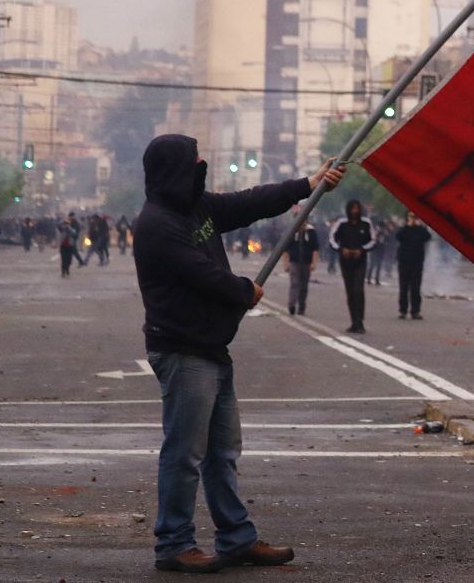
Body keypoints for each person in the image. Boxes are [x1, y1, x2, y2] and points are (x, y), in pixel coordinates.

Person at [133, 134, 344, 573]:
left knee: (222, 451)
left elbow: (250, 202)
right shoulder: (157, 223)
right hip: (182, 348)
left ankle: (236, 539)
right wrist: (243, 289)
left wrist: (309, 182)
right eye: (194, 160)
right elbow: (198, 272)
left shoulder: (198, 206)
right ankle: (173, 543)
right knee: (185, 453)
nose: (203, 163)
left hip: (211, 346)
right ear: (175, 168)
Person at [330, 199, 374, 333]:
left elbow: (373, 240)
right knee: (350, 291)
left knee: (358, 290)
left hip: (360, 261)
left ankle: (360, 321)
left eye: (357, 208)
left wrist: (362, 250)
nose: (355, 211)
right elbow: (332, 239)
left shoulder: (366, 223)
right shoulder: (341, 224)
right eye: (352, 208)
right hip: (345, 261)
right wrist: (341, 249)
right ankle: (353, 321)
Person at [395, 213, 431, 320]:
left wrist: (419, 225)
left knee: (415, 288)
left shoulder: (421, 229)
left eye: (415, 217)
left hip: (417, 262)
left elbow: (428, 237)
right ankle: (403, 310)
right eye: (411, 216)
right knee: (404, 287)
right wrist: (407, 225)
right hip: (404, 262)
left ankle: (415, 311)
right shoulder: (404, 229)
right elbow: (398, 237)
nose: (413, 219)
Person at [283, 218, 320, 316]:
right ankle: (292, 304)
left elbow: (315, 249)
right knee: (294, 283)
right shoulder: (292, 232)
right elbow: (286, 249)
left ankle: (302, 306)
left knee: (304, 286)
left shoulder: (311, 232)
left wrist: (314, 263)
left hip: (307, 262)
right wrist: (285, 264)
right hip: (294, 261)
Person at [58, 212, 82, 277]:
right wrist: (64, 222)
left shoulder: (72, 229)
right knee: (63, 260)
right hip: (63, 246)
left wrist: (68, 227)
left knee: (69, 260)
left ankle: (67, 269)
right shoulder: (63, 228)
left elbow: (75, 232)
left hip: (70, 245)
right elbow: (59, 225)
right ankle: (63, 272)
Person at [367, 220, 386, 286]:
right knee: (372, 265)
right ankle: (369, 278)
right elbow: (373, 240)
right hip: (375, 251)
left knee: (378, 266)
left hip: (380, 251)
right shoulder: (376, 232)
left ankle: (376, 279)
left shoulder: (383, 233)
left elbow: (385, 241)